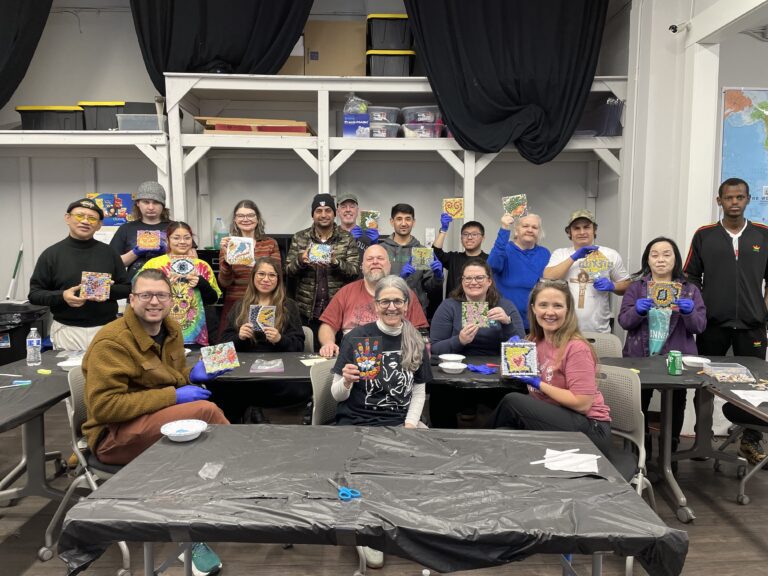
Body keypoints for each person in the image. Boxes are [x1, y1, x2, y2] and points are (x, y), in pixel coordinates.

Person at [81, 269, 229, 576]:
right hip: (113, 435)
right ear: (132, 299)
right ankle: (203, 521)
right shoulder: (112, 340)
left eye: (161, 295)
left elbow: (168, 380)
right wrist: (173, 397)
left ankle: (197, 514)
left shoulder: (170, 329)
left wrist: (191, 376)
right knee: (206, 413)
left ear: (170, 300)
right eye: (146, 295)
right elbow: (105, 407)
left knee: (200, 440)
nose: (154, 302)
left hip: (153, 422)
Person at [331, 274, 431, 570]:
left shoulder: (414, 338)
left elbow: (419, 390)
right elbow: (336, 395)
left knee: (426, 466)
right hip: (357, 422)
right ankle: (368, 532)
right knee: (365, 472)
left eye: (397, 301)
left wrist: (410, 426)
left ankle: (402, 522)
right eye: (385, 301)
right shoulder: (356, 338)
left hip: (399, 422)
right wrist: (346, 382)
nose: (391, 306)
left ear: (406, 305)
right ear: (375, 305)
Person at [684, 177, 768, 466]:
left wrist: (763, 312)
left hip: (752, 325)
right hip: (713, 325)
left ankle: (750, 442)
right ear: (719, 201)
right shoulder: (704, 235)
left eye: (740, 197)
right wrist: (700, 308)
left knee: (755, 386)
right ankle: (702, 438)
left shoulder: (762, 235)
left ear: (747, 200)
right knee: (705, 383)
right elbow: (690, 277)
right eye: (729, 198)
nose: (734, 202)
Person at [489, 279, 612, 458]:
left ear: (568, 310)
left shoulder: (576, 347)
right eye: (543, 305)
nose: (550, 312)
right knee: (504, 433)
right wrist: (509, 359)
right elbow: (507, 374)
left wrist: (537, 383)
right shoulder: (533, 340)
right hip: (555, 419)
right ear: (533, 308)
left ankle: (469, 450)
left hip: (591, 430)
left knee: (512, 401)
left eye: (558, 306)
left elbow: (582, 403)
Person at [619, 237, 706, 453]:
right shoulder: (636, 288)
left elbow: (699, 327)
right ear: (647, 260)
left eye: (667, 254)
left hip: (676, 359)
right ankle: (641, 445)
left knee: (676, 404)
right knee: (639, 402)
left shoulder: (690, 290)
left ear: (675, 259)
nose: (660, 260)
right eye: (654, 255)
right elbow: (624, 321)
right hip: (640, 357)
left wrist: (690, 313)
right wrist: (637, 310)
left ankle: (671, 447)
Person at [429, 258, 526, 428]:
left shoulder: (505, 306)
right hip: (455, 376)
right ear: (462, 281)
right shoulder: (449, 306)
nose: (473, 282)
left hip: (497, 377)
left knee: (515, 394)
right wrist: (459, 341)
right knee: (439, 396)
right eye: (468, 278)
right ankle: (444, 440)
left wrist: (507, 323)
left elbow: (522, 350)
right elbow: (436, 348)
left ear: (489, 281)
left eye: (479, 278)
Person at [29, 198, 131, 351]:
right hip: (67, 331)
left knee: (106, 374)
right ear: (67, 218)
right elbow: (35, 294)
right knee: (68, 375)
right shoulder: (51, 254)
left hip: (106, 329)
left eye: (92, 218)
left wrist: (106, 290)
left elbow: (127, 288)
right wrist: (62, 296)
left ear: (99, 225)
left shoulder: (109, 253)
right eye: (79, 216)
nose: (85, 221)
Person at [218, 257, 307, 423]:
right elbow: (223, 344)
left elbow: (298, 345)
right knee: (223, 385)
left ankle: (256, 410)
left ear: (278, 280)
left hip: (279, 366)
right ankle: (246, 416)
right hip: (245, 368)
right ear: (253, 277)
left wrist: (280, 339)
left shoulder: (289, 306)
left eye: (272, 275)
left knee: (299, 388)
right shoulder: (240, 305)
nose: (266, 279)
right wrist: (239, 337)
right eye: (261, 274)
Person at [317, 244, 429, 358]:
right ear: (362, 266)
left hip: (396, 357)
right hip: (353, 359)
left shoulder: (406, 294)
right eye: (369, 259)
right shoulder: (346, 292)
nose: (375, 262)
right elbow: (327, 326)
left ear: (389, 265)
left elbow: (420, 332)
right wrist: (328, 343)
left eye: (380, 258)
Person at [285, 194, 360, 347]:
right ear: (312, 214)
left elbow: (354, 271)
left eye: (328, 210)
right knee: (308, 356)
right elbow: (287, 271)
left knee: (336, 355)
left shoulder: (347, 238)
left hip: (338, 311)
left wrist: (335, 262)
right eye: (319, 211)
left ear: (334, 213)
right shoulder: (300, 238)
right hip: (306, 312)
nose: (324, 215)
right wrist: (301, 261)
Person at [543, 209, 630, 333]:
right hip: (565, 329)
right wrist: (574, 257)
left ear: (594, 230)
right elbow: (548, 276)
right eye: (576, 228)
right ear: (569, 232)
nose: (582, 232)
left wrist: (612, 286)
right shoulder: (560, 254)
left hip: (599, 329)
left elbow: (627, 285)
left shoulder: (610, 254)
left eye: (586, 227)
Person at [141, 222, 221, 346]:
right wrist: (164, 285)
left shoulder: (202, 266)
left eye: (187, 238)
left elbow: (213, 300)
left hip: (196, 333)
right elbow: (141, 294)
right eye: (176, 238)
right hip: (160, 331)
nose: (182, 242)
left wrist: (201, 283)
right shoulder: (154, 264)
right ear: (167, 240)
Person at [217, 200, 281, 341]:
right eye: (241, 216)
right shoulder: (228, 245)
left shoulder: (270, 243)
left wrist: (258, 268)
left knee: (263, 342)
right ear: (235, 220)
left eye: (250, 215)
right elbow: (224, 283)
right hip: (236, 303)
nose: (246, 219)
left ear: (257, 218)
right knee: (231, 344)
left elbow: (277, 275)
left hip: (265, 302)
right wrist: (227, 261)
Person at [488, 213, 550, 331]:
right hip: (503, 320)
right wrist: (504, 228)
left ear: (539, 232)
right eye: (525, 226)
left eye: (534, 227)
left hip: (533, 322)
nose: (530, 230)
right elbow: (491, 266)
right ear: (516, 230)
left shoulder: (544, 253)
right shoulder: (504, 249)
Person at [379, 203, 443, 314]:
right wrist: (400, 279)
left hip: (415, 311)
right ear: (391, 221)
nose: (404, 223)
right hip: (386, 309)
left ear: (414, 222)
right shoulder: (381, 250)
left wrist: (438, 277)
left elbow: (429, 287)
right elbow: (374, 284)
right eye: (399, 219)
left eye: (408, 219)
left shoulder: (421, 251)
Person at [109, 181, 170, 278]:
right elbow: (113, 264)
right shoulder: (126, 229)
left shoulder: (175, 228)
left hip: (171, 284)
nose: (151, 207)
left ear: (163, 205)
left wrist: (168, 251)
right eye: (146, 202)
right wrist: (135, 252)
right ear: (138, 203)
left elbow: (193, 260)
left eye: (156, 202)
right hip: (135, 286)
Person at [432, 213, 488, 296]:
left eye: (474, 234)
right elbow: (435, 253)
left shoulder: (489, 260)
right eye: (465, 234)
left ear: (483, 238)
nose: (469, 237)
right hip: (453, 307)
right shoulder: (453, 258)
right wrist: (443, 230)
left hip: (479, 307)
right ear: (461, 238)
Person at [336, 192, 379, 262]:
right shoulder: (331, 234)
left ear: (357, 211)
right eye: (343, 207)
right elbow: (330, 262)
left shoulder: (367, 234)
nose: (348, 210)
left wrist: (375, 244)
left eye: (352, 207)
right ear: (338, 212)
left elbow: (375, 261)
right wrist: (348, 241)